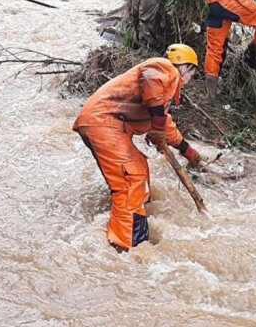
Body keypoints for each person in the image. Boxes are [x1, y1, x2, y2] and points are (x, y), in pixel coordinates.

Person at [73, 44, 203, 252]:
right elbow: (153, 89)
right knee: (129, 181)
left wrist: (187, 151)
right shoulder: (164, 68)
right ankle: (125, 245)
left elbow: (163, 125)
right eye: (192, 74)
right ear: (185, 68)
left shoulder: (161, 95)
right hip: (104, 124)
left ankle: (135, 221)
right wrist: (158, 125)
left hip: (106, 124)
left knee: (139, 166)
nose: (189, 81)